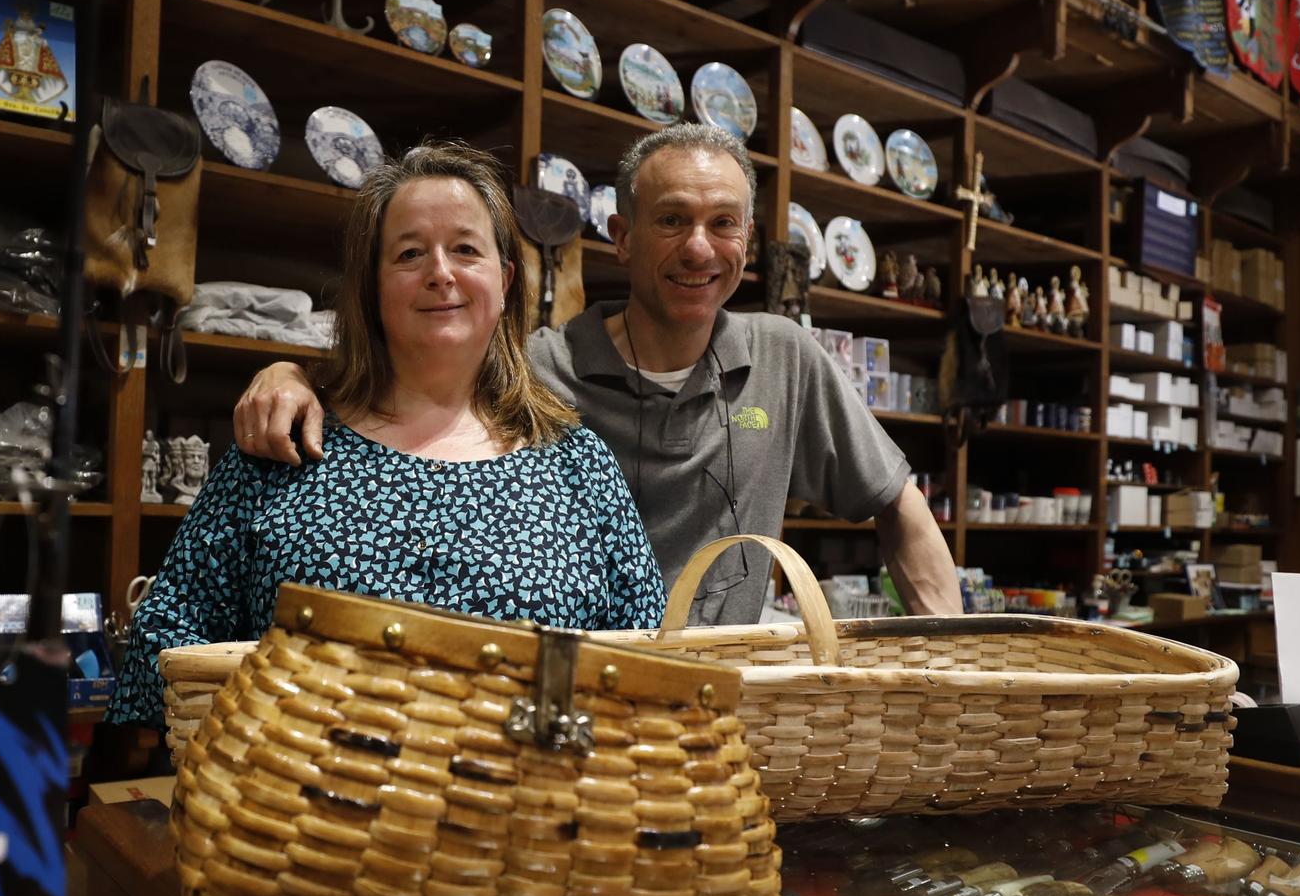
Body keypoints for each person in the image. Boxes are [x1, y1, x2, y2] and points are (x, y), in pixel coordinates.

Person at [237, 124, 963, 624]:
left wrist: (952, 668)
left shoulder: (787, 357)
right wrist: (290, 372)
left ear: (750, 241)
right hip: (586, 702)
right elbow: (409, 380)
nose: (700, 249)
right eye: (673, 220)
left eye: (724, 224)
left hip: (733, 699)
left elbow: (898, 503)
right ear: (620, 237)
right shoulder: (543, 369)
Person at [107, 141, 667, 731]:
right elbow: (164, 638)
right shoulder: (287, 444)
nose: (440, 273)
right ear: (373, 287)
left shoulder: (578, 463)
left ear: (505, 282)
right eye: (409, 254)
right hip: (305, 811)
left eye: (466, 250)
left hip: (532, 808)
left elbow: (648, 663)